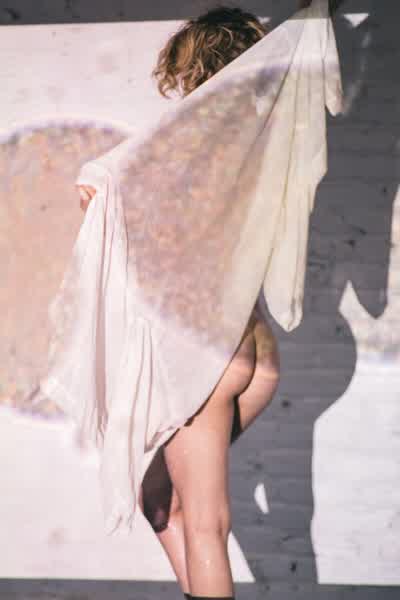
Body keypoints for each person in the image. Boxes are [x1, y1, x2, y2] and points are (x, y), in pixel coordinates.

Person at [76, 2, 341, 597]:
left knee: (206, 524)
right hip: (253, 349)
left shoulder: (186, 150)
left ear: (194, 69)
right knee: (158, 499)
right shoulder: (264, 146)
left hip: (205, 355)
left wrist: (105, 200)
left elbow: (115, 201)